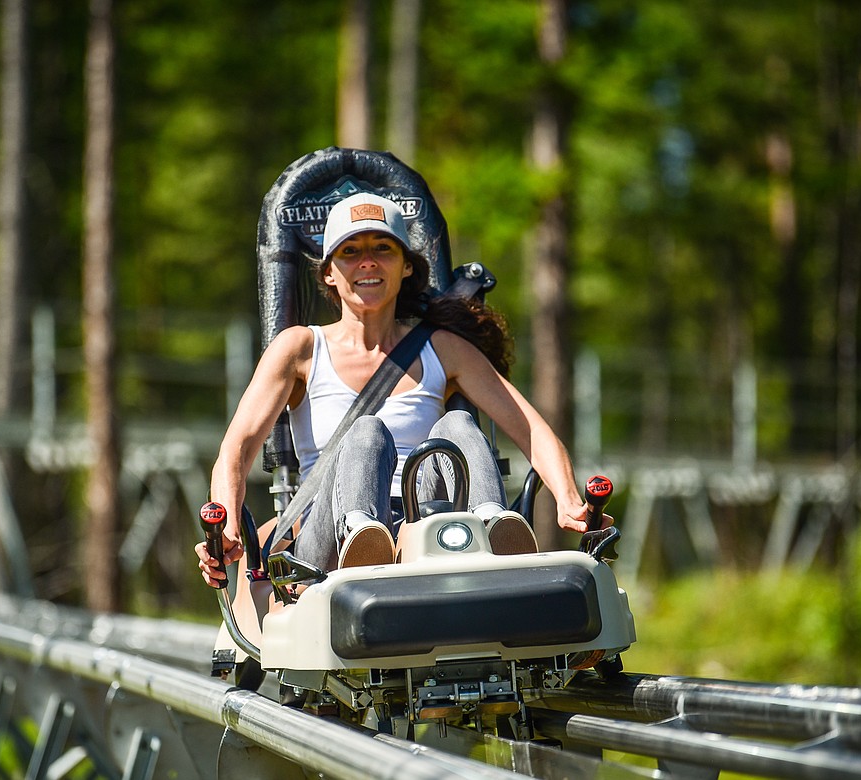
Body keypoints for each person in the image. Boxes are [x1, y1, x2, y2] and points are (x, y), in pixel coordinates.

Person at [196, 192, 611, 588]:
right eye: (351, 252)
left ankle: (492, 525)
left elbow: (532, 429)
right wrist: (228, 525)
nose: (368, 263)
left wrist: (570, 500)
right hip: (327, 538)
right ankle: (363, 537)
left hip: (427, 530)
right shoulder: (300, 348)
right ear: (328, 271)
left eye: (383, 249)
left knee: (459, 425)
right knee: (366, 433)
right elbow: (236, 450)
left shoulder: (443, 349)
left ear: (406, 266)